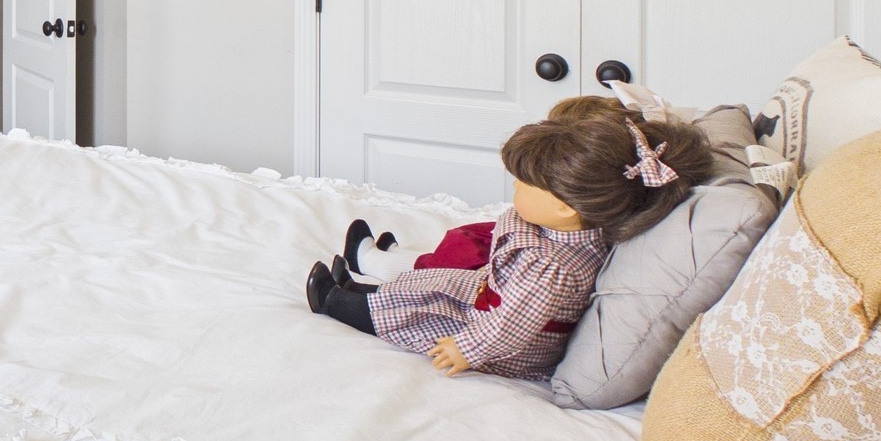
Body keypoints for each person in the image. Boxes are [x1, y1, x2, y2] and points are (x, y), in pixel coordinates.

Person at [306, 100, 714, 380]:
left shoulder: (551, 269)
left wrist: (467, 349)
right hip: (491, 293)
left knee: (420, 316)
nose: (515, 188)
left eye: (523, 184)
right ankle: (365, 288)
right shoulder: (559, 230)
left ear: (564, 208)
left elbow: (511, 326)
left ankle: (338, 303)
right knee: (430, 284)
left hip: (503, 342)